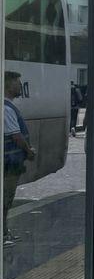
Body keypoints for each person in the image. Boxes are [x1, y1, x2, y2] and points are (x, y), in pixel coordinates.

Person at [4, 72, 35, 245]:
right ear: (8, 85)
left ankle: (4, 232)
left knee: (7, 199)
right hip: (9, 163)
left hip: (11, 162)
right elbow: (16, 136)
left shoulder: (8, 106)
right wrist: (29, 151)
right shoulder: (6, 108)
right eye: (17, 82)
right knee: (6, 198)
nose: (20, 85)